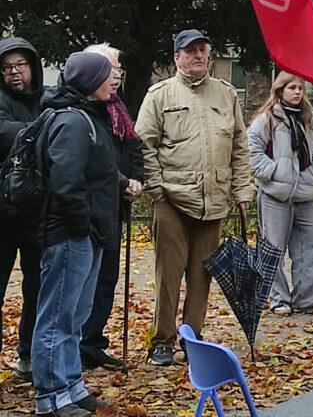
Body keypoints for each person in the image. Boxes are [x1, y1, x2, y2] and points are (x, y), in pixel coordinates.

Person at [135, 29, 254, 366]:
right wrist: (157, 191)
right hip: (172, 200)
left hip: (214, 202)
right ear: (177, 58)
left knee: (203, 275)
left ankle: (192, 338)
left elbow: (239, 146)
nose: (198, 56)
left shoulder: (226, 94)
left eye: (203, 49)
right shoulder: (160, 95)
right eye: (190, 51)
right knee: (169, 276)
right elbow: (145, 145)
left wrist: (242, 188)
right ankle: (162, 340)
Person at [33, 51, 118, 417]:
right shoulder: (71, 122)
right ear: (88, 81)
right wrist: (84, 225)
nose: (113, 79)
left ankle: (71, 387)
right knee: (58, 317)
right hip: (70, 235)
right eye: (106, 74)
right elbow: (66, 182)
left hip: (87, 233)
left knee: (75, 317)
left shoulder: (86, 116)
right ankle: (51, 399)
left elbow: (95, 173)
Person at [79, 43, 144, 369]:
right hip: (89, 209)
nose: (116, 75)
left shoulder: (118, 107)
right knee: (81, 283)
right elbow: (97, 160)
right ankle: (73, 347)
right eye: (110, 69)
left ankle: (92, 343)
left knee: (106, 279)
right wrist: (122, 181)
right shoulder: (81, 110)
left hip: (115, 207)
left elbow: (134, 148)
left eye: (118, 69)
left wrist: (136, 180)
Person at [248, 71, 313, 315]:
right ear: (280, 90)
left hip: (304, 194)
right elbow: (252, 151)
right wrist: (275, 172)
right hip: (276, 194)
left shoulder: (308, 121)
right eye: (291, 88)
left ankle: (306, 299)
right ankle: (278, 299)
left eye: (300, 88)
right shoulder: (267, 120)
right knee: (273, 248)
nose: (297, 92)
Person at [0, 37, 46, 382]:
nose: (14, 73)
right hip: (3, 213)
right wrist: (45, 132)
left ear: (32, 67)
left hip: (38, 213)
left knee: (37, 289)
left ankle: (28, 356)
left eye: (20, 65)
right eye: (6, 68)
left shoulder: (47, 100)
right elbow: (7, 132)